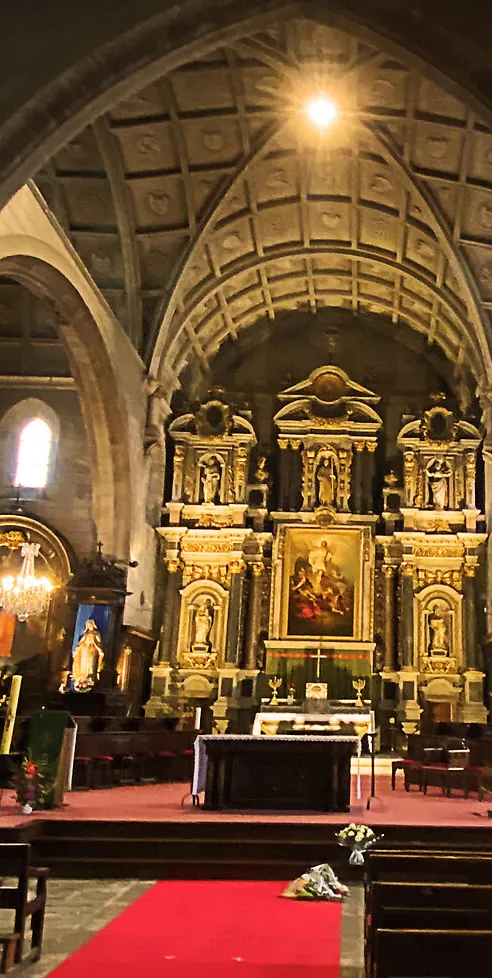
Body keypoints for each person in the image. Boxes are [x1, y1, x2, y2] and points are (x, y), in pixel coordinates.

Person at [72, 619, 104, 688]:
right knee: (84, 662)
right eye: (88, 625)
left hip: (92, 649)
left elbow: (99, 642)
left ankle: (90, 674)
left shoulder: (96, 633)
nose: (89, 626)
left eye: (90, 624)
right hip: (85, 649)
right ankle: (83, 675)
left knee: (91, 662)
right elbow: (81, 641)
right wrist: (78, 649)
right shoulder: (86, 633)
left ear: (93, 625)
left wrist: (97, 647)